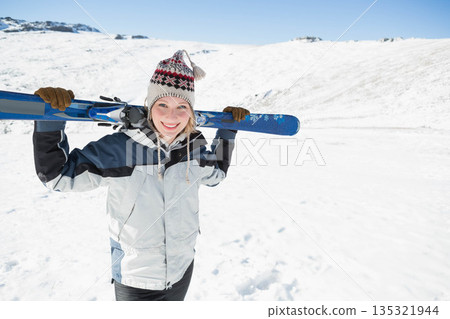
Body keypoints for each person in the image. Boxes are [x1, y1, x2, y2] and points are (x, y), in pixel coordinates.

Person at [32, 50, 250, 301]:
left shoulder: (195, 147)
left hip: (182, 269)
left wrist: (228, 132)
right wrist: (49, 120)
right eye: (162, 105)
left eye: (182, 106)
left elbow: (217, 174)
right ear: (149, 106)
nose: (172, 116)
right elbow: (58, 176)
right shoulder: (119, 148)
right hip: (136, 279)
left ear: (191, 111)